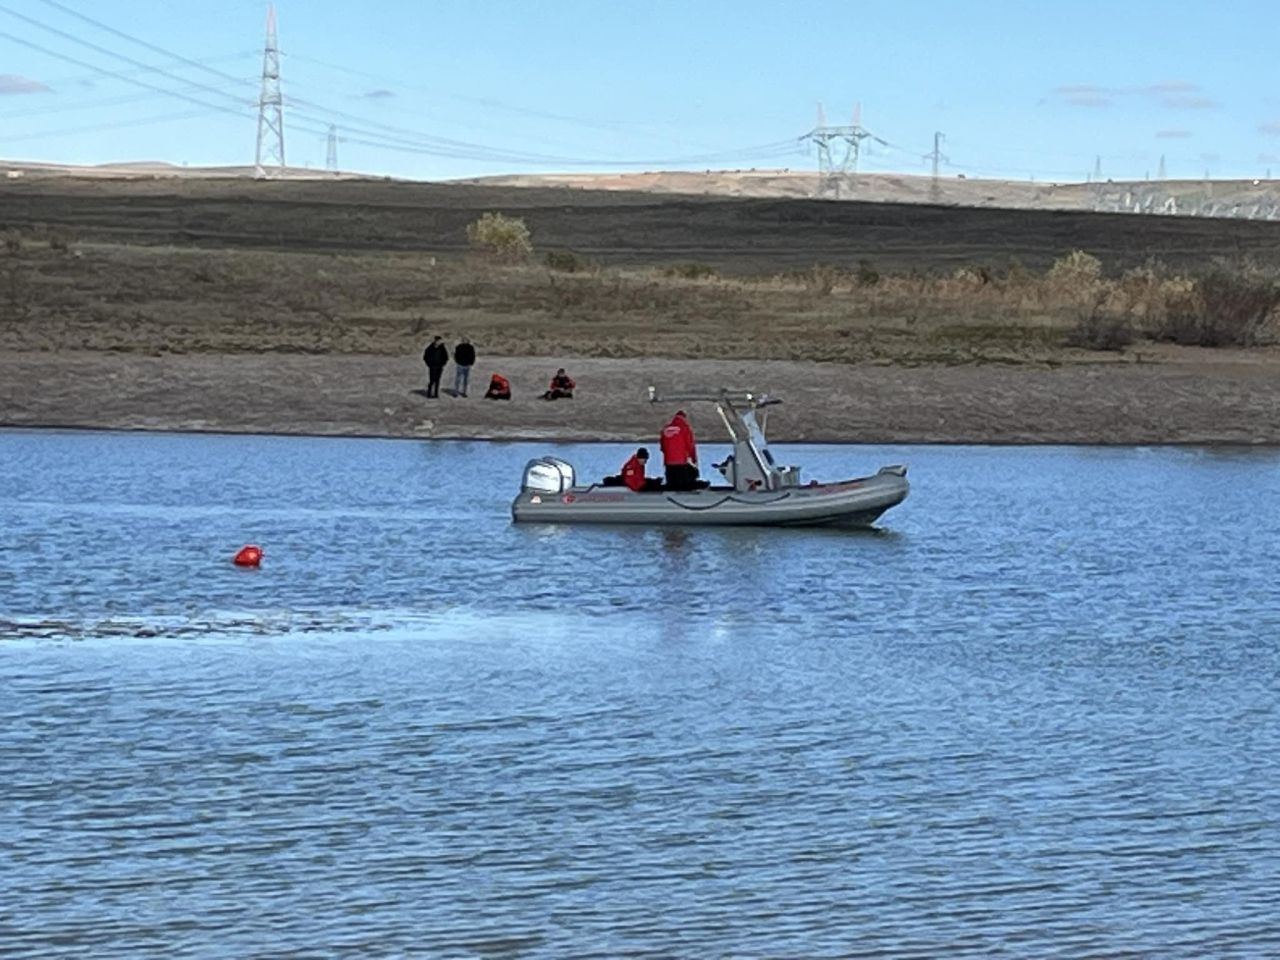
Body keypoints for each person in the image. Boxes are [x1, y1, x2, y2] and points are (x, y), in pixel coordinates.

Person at [660, 409, 703, 491]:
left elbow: (662, 447)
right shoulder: (685, 429)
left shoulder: (665, 429)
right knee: (682, 484)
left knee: (671, 484)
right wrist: (694, 458)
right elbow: (690, 445)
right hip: (681, 461)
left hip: (669, 462)